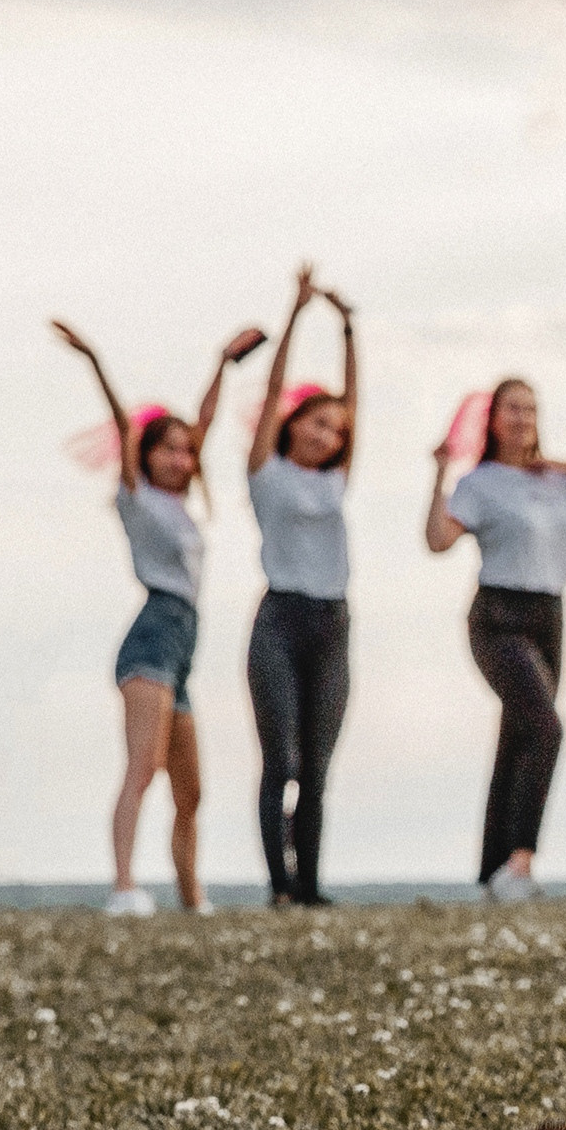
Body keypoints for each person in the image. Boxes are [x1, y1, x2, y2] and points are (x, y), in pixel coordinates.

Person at [52, 316, 259, 918]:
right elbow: (123, 426)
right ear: (145, 454)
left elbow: (205, 422)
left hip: (183, 645)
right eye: (167, 448)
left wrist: (222, 362)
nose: (181, 458)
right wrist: (94, 358)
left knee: (191, 790)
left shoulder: (181, 506)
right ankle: (124, 888)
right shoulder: (136, 498)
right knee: (142, 769)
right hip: (152, 639)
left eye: (187, 451)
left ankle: (192, 898)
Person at [424, 379, 566, 901]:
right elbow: (438, 540)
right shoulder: (478, 483)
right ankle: (520, 864)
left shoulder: (556, 478)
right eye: (512, 408)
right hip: (498, 616)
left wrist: (564, 464)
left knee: (518, 739)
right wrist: (439, 472)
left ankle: (491, 875)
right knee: (546, 729)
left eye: (530, 408)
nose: (522, 417)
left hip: (550, 615)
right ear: (492, 419)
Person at [244, 265, 358, 908]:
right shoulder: (266, 470)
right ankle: (279, 886)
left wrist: (348, 329)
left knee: (317, 768)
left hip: (333, 623)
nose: (327, 434)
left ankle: (310, 886)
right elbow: (272, 389)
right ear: (292, 424)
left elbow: (357, 402)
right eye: (317, 422)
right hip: (280, 622)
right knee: (279, 761)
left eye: (336, 429)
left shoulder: (336, 479)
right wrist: (297, 312)